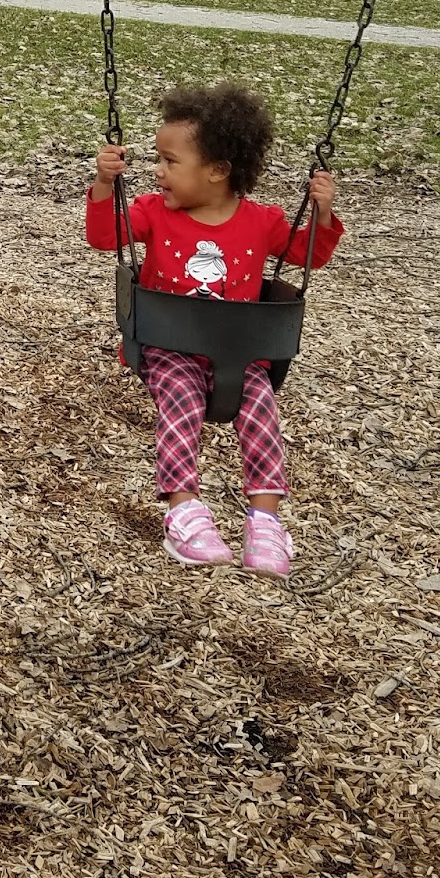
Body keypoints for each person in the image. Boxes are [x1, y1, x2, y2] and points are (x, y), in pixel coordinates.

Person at [88, 83, 342, 578]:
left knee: (262, 412)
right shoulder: (152, 212)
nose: (158, 171)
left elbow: (309, 254)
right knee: (180, 401)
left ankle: (265, 522)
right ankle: (184, 511)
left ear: (218, 171)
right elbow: (103, 236)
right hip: (168, 349)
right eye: (158, 159)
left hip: (237, 354)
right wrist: (103, 184)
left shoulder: (261, 222)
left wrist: (323, 212)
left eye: (170, 161)